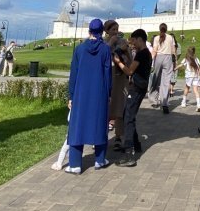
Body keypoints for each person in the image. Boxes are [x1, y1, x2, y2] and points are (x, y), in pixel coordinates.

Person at [65, 19, 112, 174]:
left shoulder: (79, 49)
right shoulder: (105, 50)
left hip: (80, 92)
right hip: (99, 92)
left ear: (89, 31)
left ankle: (75, 164)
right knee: (99, 123)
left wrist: (71, 95)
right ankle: (99, 160)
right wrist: (108, 93)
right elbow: (107, 74)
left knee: (77, 125)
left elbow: (74, 74)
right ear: (102, 32)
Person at [114, 29, 152, 167]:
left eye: (133, 40)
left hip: (136, 89)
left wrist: (118, 62)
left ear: (140, 39)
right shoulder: (146, 53)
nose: (132, 43)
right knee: (128, 115)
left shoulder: (142, 54)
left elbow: (129, 71)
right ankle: (136, 144)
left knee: (128, 118)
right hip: (140, 87)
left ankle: (129, 154)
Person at [104, 20, 132, 151]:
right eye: (113, 30)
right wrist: (111, 44)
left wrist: (125, 51)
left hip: (120, 80)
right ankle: (101, 136)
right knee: (105, 108)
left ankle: (118, 137)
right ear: (107, 31)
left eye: (117, 29)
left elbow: (130, 61)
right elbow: (102, 57)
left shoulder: (122, 43)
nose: (115, 32)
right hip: (107, 80)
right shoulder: (103, 44)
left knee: (120, 109)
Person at [152, 23, 177, 114]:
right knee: (166, 82)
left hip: (158, 57)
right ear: (166, 29)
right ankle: (164, 103)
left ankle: (154, 100)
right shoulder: (170, 37)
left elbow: (154, 50)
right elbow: (173, 50)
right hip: (168, 58)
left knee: (155, 79)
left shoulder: (156, 38)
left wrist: (151, 61)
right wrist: (175, 61)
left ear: (159, 29)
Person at [177, 46, 200, 111]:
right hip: (196, 75)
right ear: (194, 52)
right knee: (196, 90)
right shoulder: (196, 59)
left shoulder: (186, 59)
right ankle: (198, 104)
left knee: (187, 88)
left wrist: (174, 68)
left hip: (189, 76)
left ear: (188, 52)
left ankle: (183, 102)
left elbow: (181, 65)